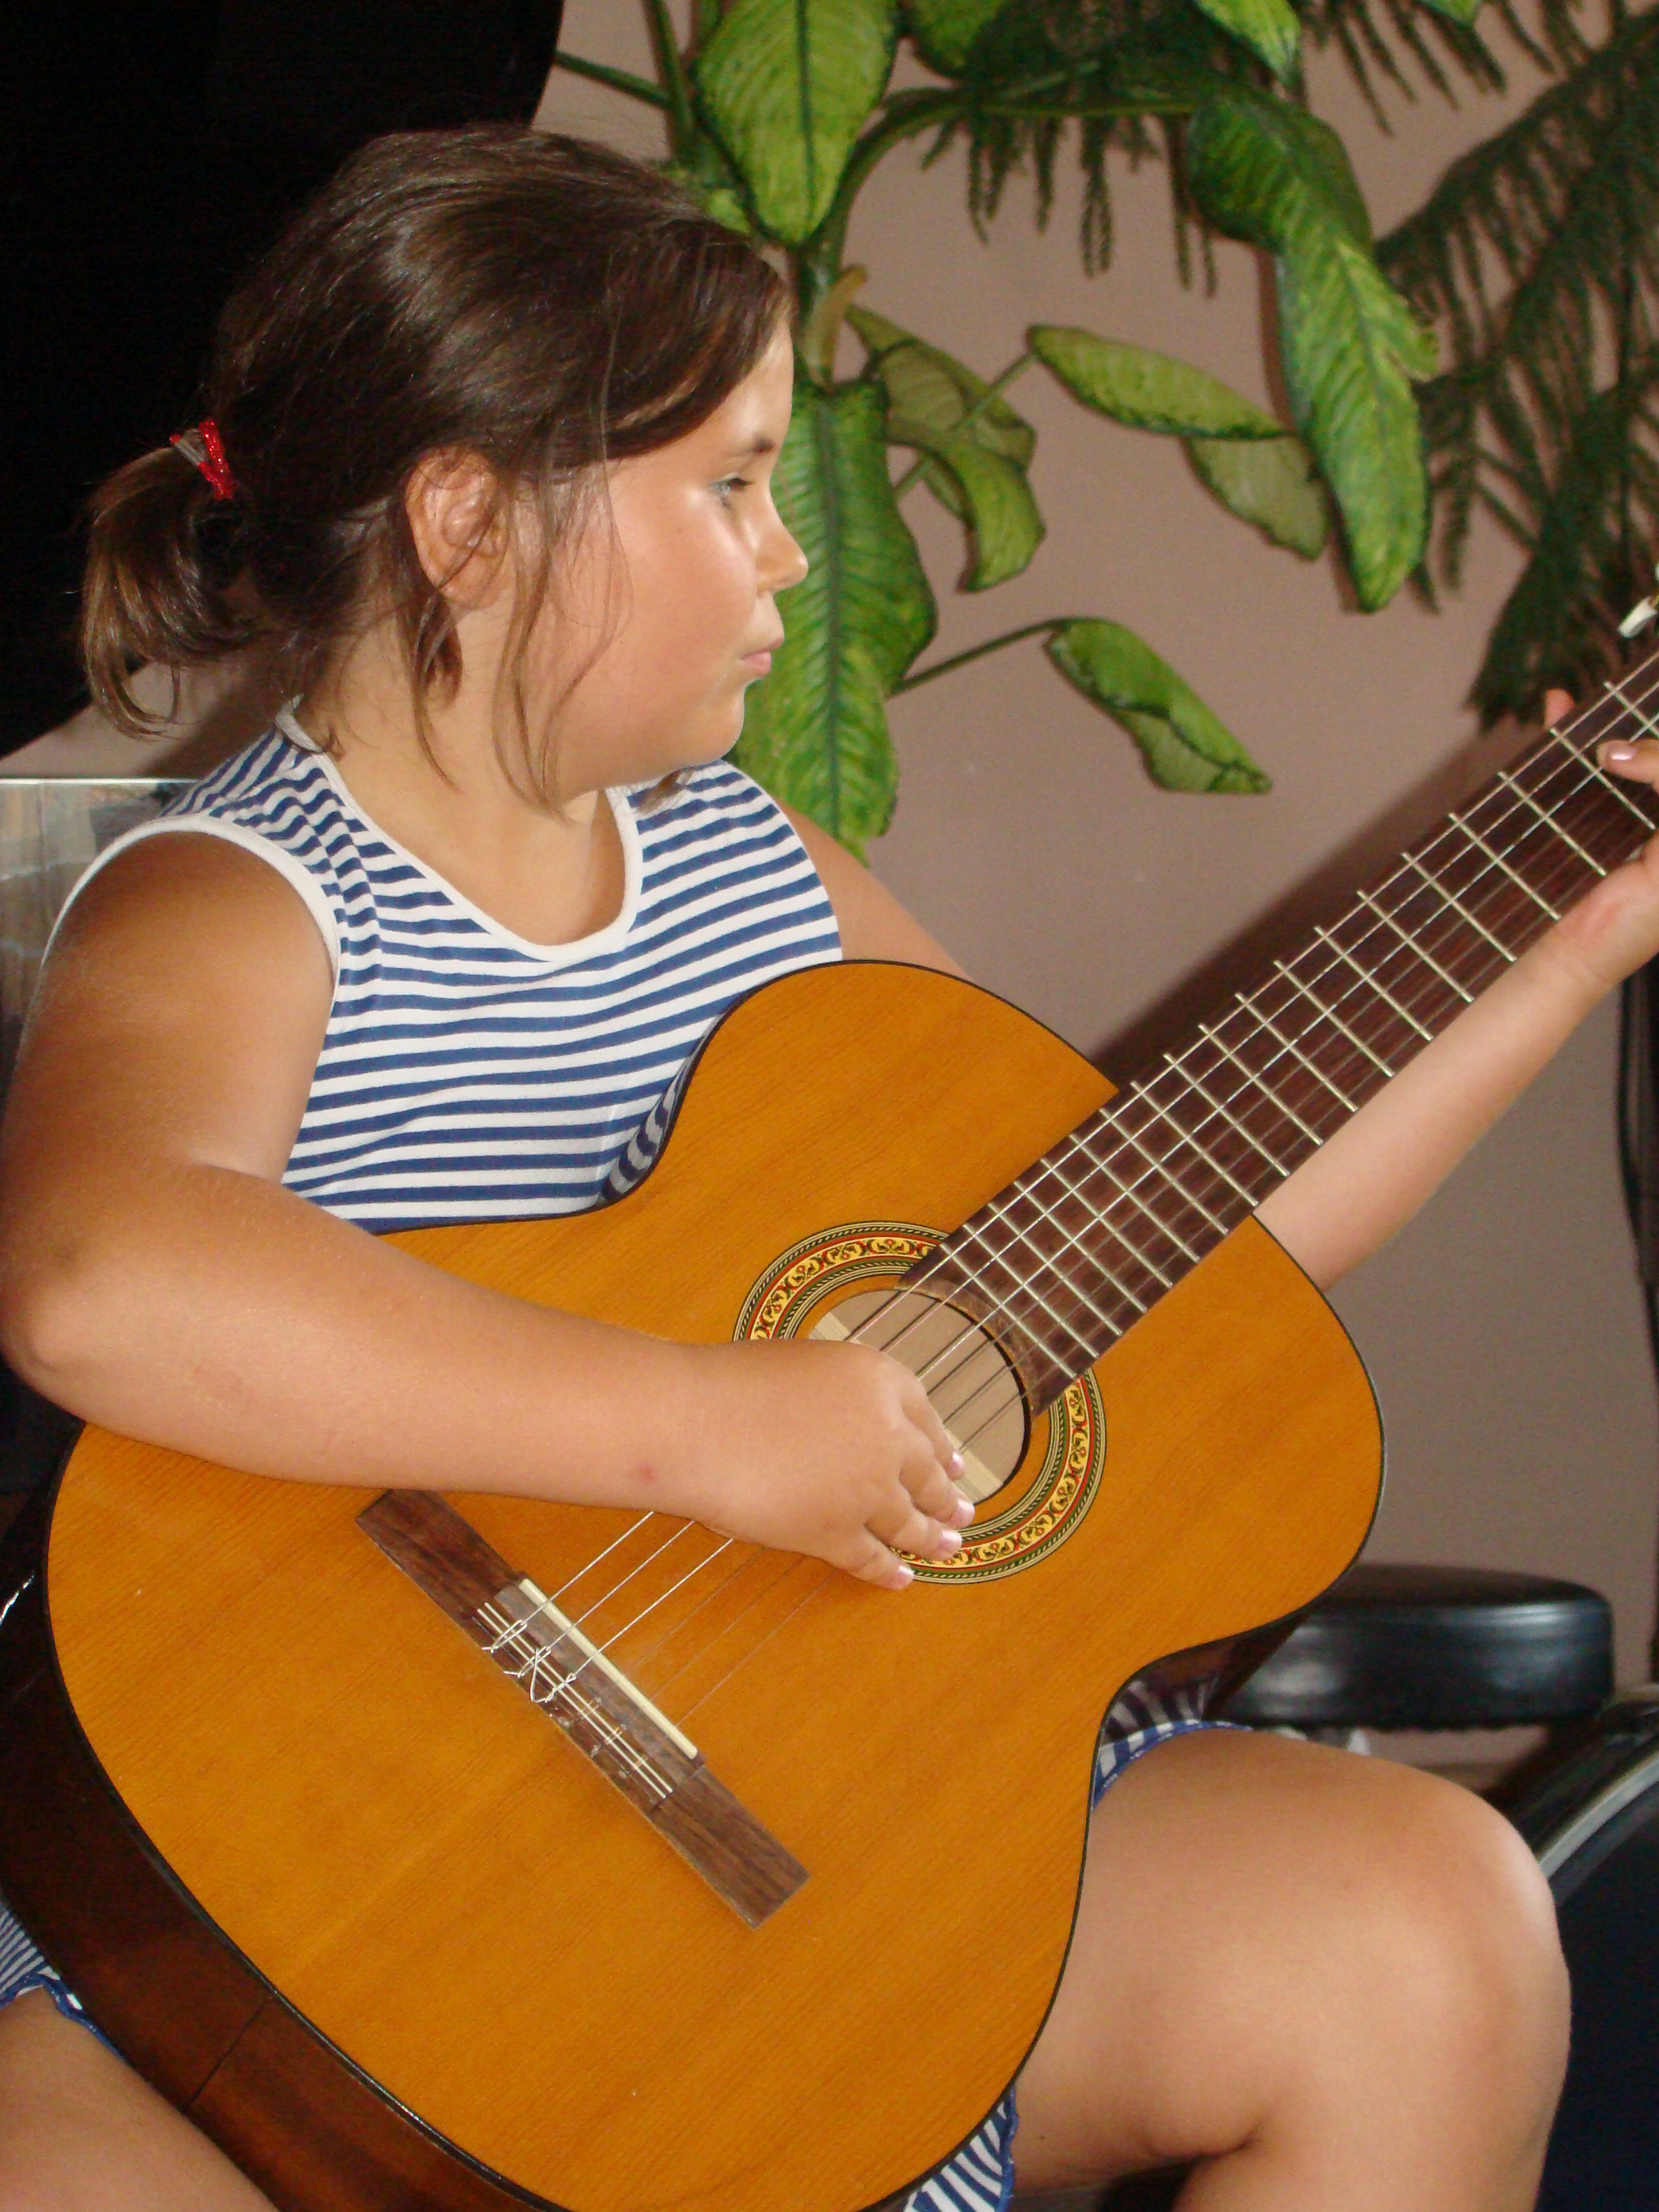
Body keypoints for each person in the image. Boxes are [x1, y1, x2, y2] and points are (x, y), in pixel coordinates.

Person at [0, 124, 1650, 2212]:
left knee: (1427, 1936)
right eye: (730, 485)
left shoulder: (760, 873)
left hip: (795, 1890)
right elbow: (105, 1278)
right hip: (243, 1923)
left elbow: (1163, 1233)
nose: (789, 555)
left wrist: (1567, 946)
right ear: (468, 521)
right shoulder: (244, 899)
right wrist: (710, 1426)